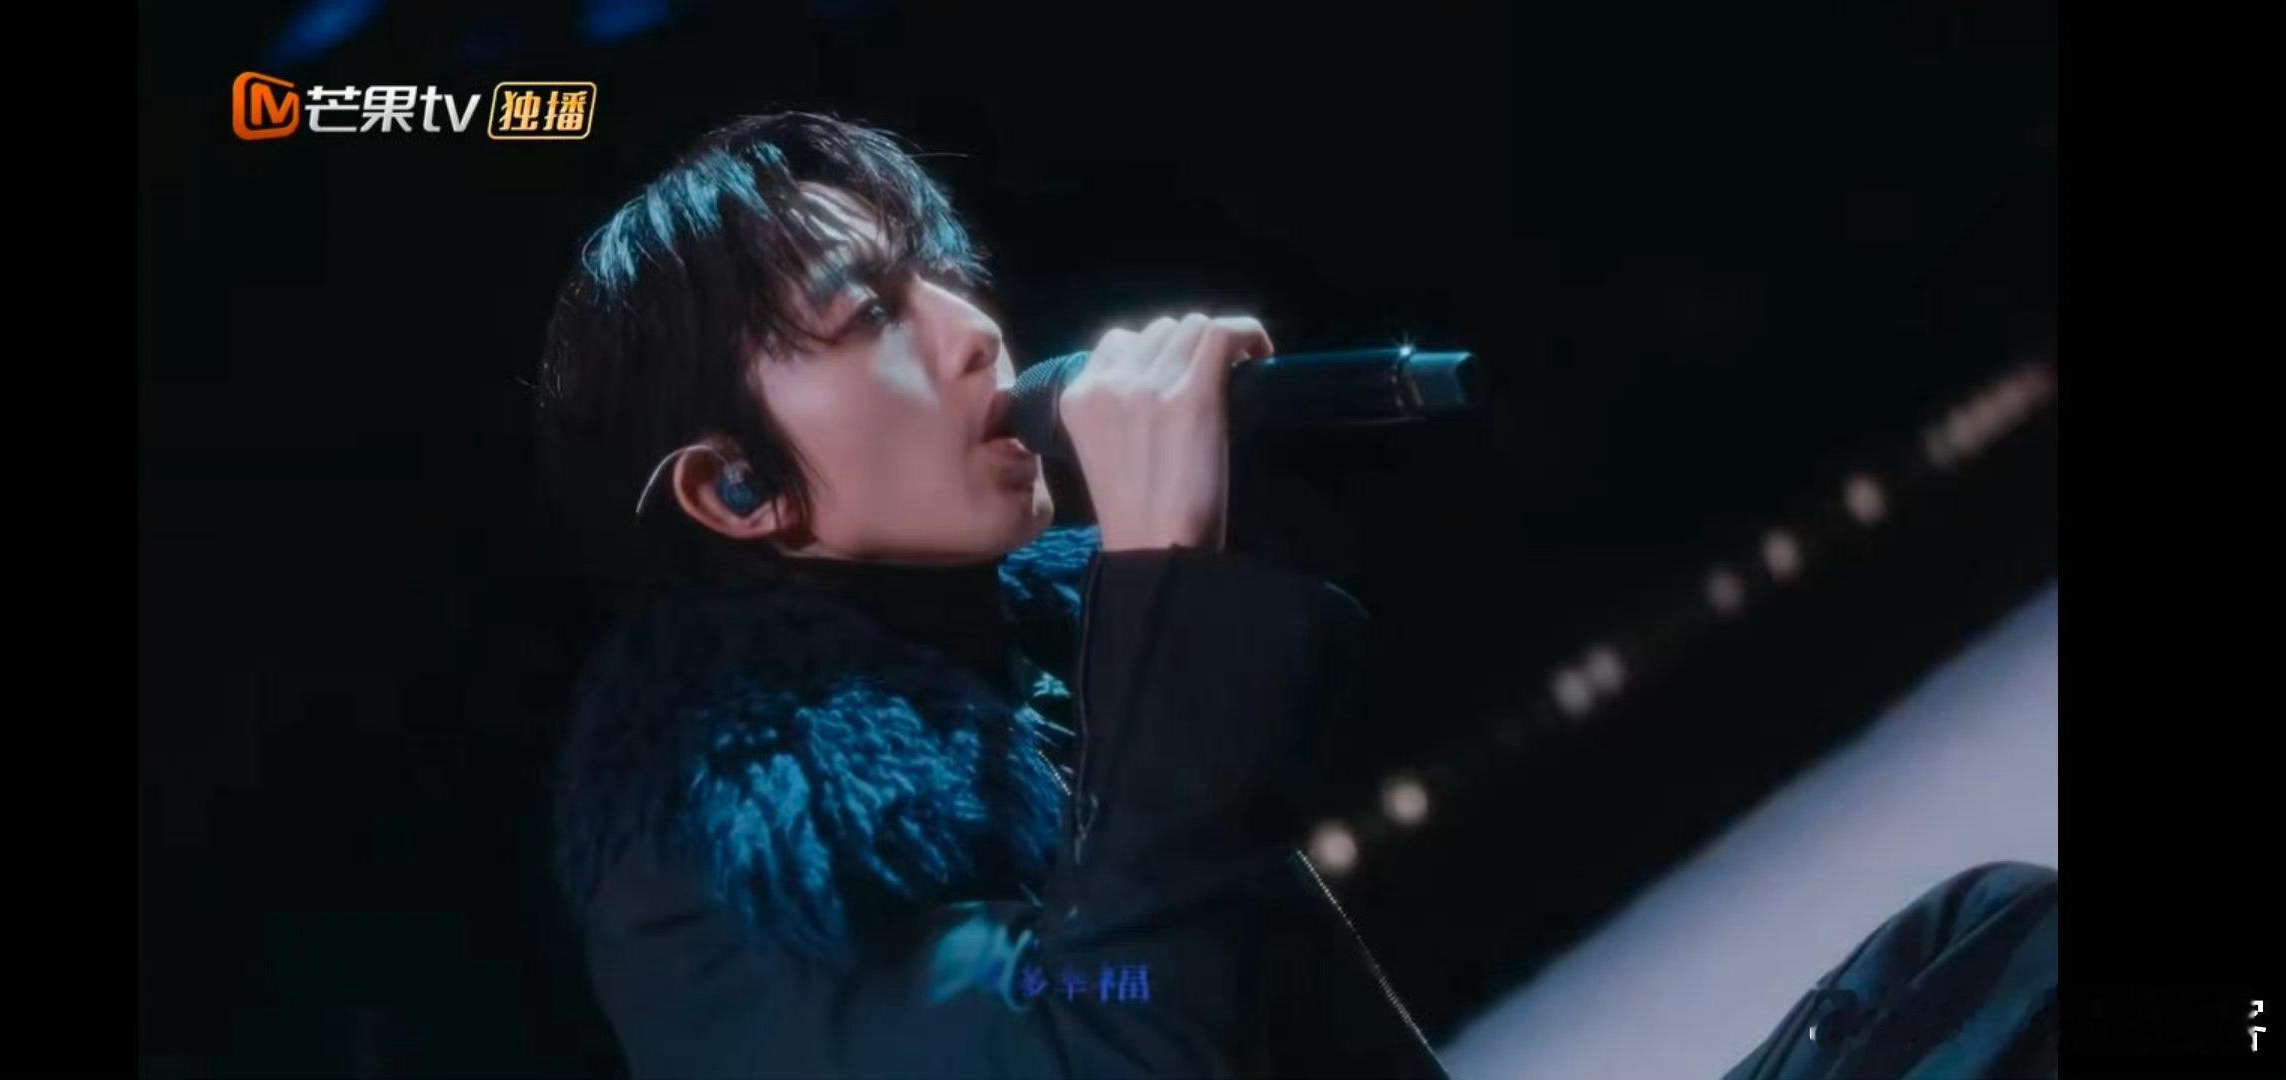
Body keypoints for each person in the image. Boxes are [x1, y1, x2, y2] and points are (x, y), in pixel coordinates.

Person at [533, 111, 2056, 1079]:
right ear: (742, 490)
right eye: (871, 314)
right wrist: (1160, 583)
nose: (973, 327)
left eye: (940, 274)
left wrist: (1146, 623)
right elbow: (1115, 1028)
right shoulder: (723, 872)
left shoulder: (1008, 672)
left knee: (1989, 943)